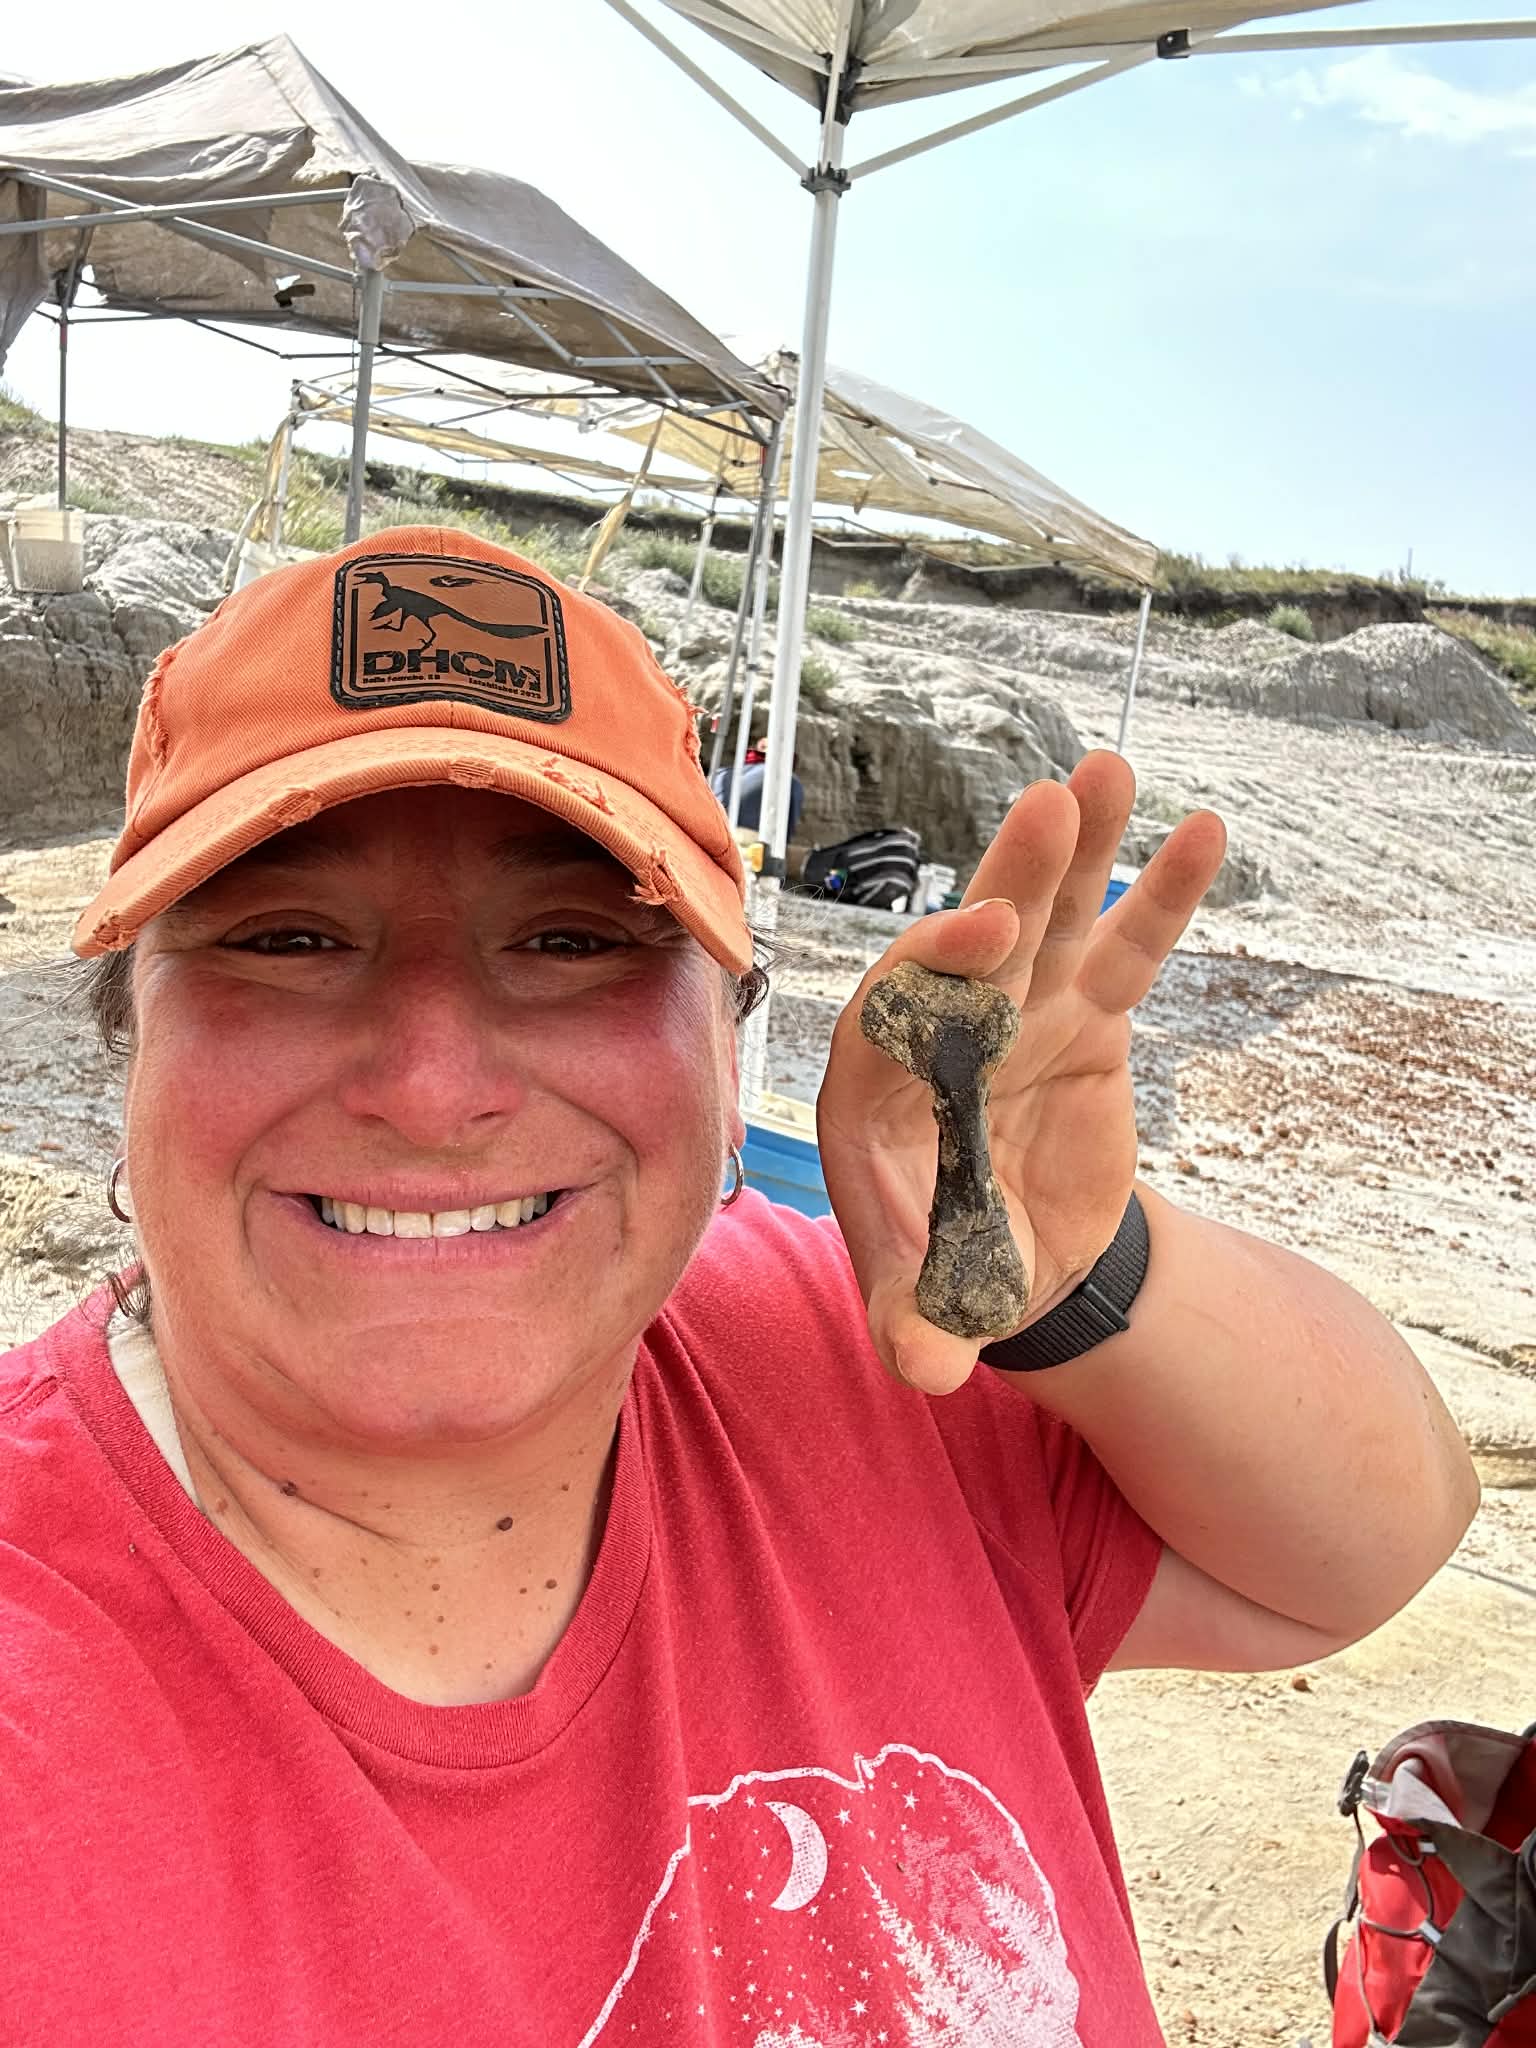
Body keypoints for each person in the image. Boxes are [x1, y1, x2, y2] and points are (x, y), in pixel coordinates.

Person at [0, 527, 1476, 2048]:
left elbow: (1360, 1547)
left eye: (572, 940)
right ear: (133, 1037)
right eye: (289, 940)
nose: (433, 1084)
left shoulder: (853, 1353)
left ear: (727, 1042)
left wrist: (1078, 1278)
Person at [710, 739, 804, 838]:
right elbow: (787, 827)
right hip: (751, 843)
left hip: (712, 834)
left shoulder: (720, 774)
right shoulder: (788, 780)